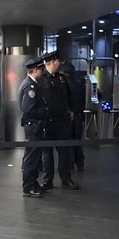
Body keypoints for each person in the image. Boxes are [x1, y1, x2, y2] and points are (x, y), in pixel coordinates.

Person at [38, 51, 79, 190]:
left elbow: (69, 96)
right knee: (47, 152)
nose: (60, 64)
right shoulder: (41, 79)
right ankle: (47, 180)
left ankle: (66, 179)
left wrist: (71, 110)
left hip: (62, 121)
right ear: (53, 62)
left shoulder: (61, 78)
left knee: (64, 151)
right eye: (58, 61)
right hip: (47, 121)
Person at [19, 56, 48, 198]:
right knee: (31, 156)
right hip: (33, 126)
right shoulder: (30, 86)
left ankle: (33, 183)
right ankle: (28, 187)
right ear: (35, 70)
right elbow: (28, 108)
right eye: (41, 69)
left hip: (35, 125)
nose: (43, 71)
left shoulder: (33, 84)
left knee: (35, 156)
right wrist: (45, 111)